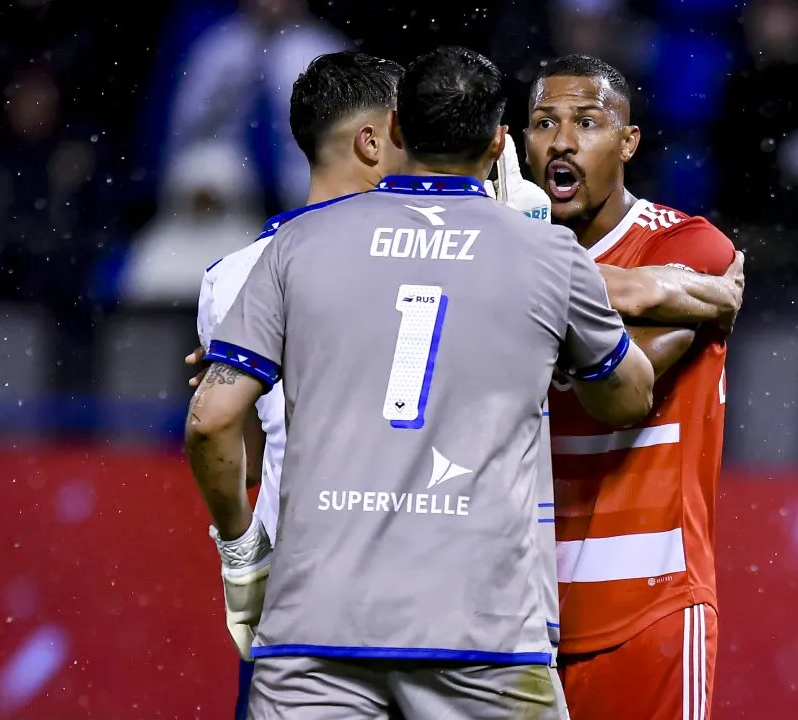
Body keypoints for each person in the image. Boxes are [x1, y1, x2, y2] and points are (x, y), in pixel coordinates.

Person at [184, 46, 657, 719]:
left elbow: (212, 421)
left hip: (317, 624)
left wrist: (243, 558)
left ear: (397, 131)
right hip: (482, 628)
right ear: (500, 143)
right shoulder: (544, 254)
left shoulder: (295, 248)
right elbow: (626, 396)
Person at [191, 51, 406, 720]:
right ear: (372, 141)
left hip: (296, 599)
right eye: (411, 132)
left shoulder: (230, 277)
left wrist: (241, 549)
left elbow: (231, 438)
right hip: (427, 595)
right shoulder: (450, 256)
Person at [523, 54, 738, 719]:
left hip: (647, 607)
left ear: (628, 141)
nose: (561, 140)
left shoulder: (689, 249)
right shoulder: (506, 253)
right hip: (515, 615)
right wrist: (619, 289)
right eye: (542, 123)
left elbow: (619, 390)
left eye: (588, 121)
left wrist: (523, 280)